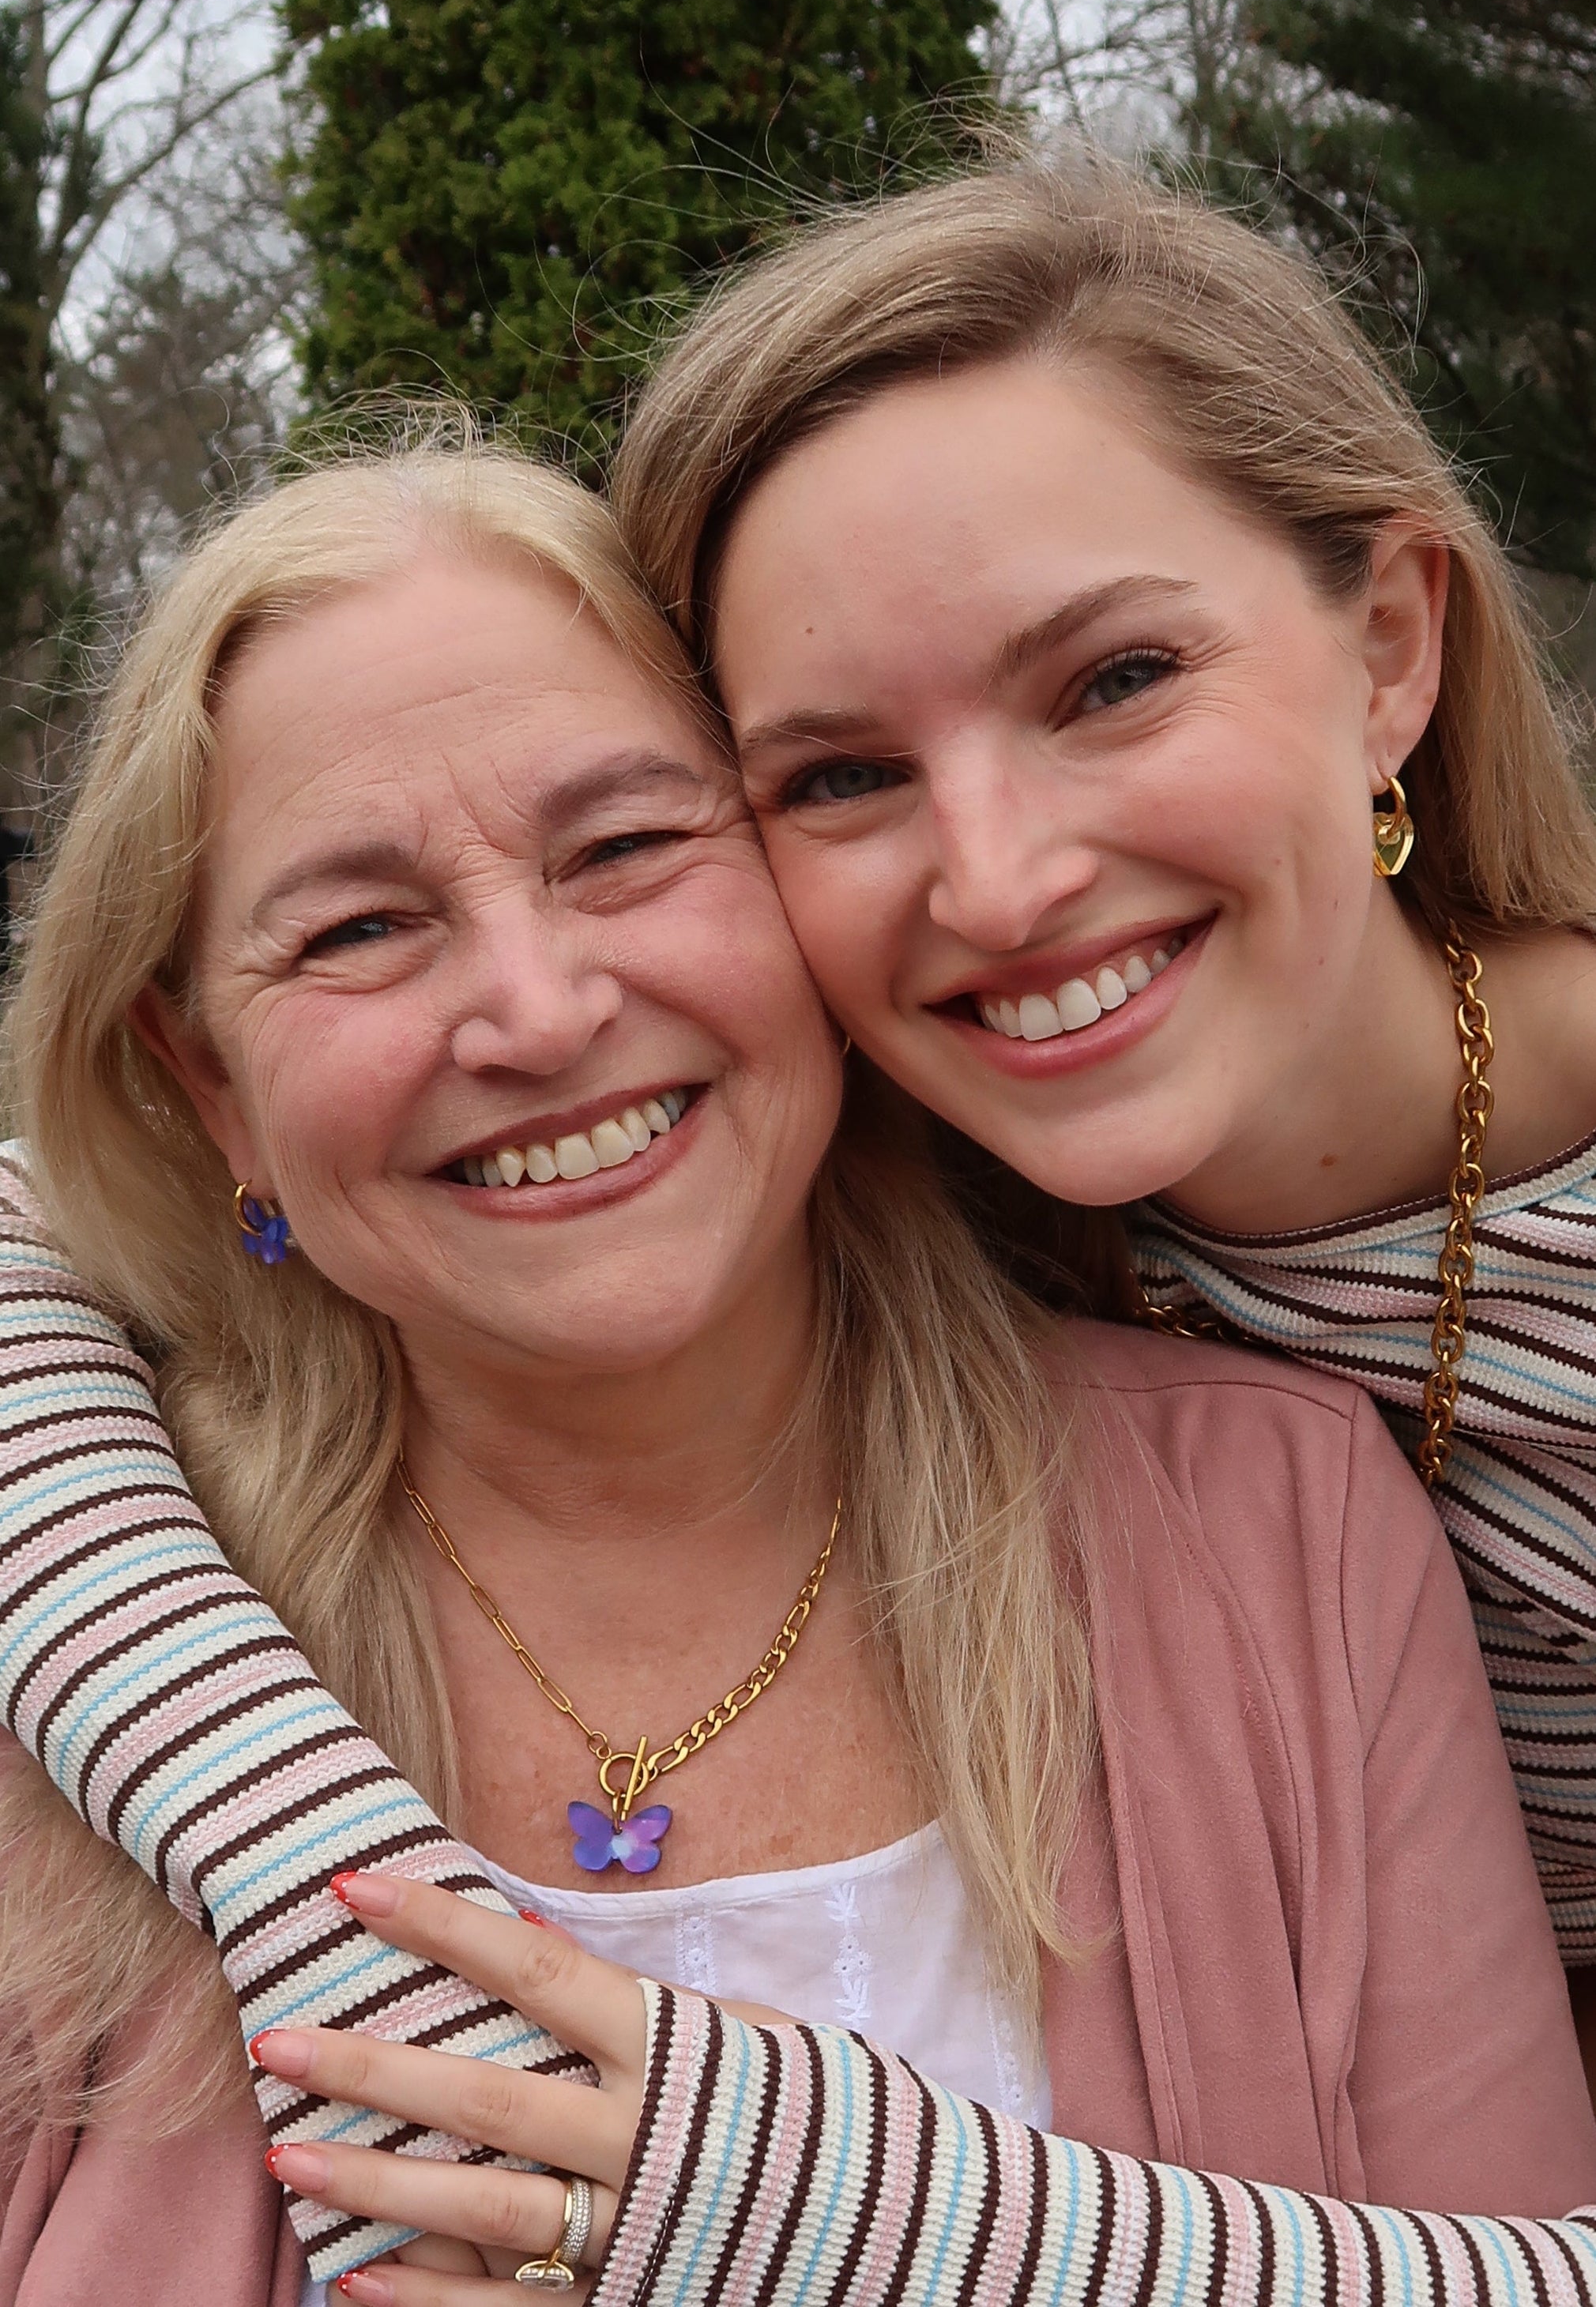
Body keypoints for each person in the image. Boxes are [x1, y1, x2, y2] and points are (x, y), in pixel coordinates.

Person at [1, 437, 1591, 2307]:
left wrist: (899, 2237)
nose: (538, 1009)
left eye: (625, 845)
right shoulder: (67, 1657)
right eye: (356, 928)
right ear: (208, 1087)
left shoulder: (1287, 1526)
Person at [610, 149, 1596, 1989]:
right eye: (836, 777)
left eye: (1111, 680)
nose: (994, 882)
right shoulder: (855, 1239)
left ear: (1385, 646)